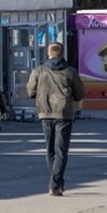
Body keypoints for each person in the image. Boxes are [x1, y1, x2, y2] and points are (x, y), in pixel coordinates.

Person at [26, 41, 85, 196]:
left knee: (50, 149)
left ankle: (57, 182)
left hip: (45, 113)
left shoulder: (39, 70)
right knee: (61, 150)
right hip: (64, 114)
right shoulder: (70, 72)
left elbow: (30, 91)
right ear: (62, 53)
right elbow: (80, 94)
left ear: (48, 53)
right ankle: (55, 183)